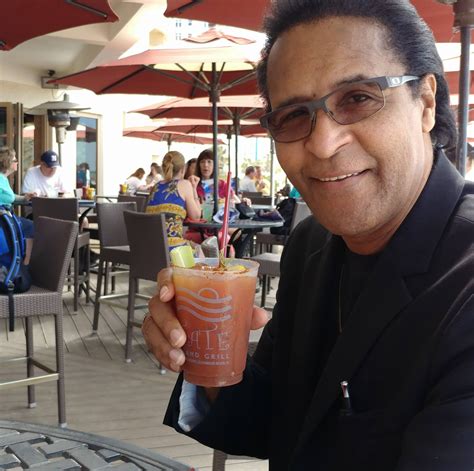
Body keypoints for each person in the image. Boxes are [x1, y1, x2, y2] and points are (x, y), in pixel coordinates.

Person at [143, 1, 474, 469]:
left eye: (358, 98)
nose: (322, 143)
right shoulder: (311, 243)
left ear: (424, 103)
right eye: (295, 115)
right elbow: (274, 422)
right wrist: (204, 348)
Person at [146, 151, 201, 252]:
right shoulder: (184, 184)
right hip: (173, 251)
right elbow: (196, 216)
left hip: (150, 248)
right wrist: (194, 188)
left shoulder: (155, 186)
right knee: (199, 249)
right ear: (183, 169)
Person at [0, 147, 35, 264]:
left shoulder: (3, 179)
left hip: (6, 218)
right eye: (15, 160)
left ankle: (24, 260)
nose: (17, 162)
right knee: (32, 227)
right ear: (8, 162)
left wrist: (24, 197)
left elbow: (9, 197)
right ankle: (26, 263)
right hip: (3, 221)